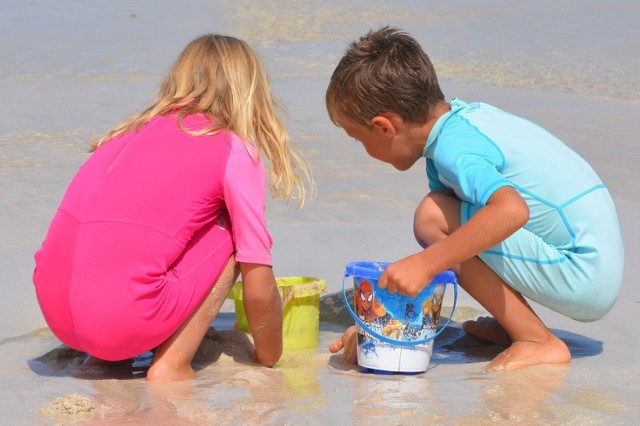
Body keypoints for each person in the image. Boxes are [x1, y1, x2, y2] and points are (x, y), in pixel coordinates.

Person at [326, 27, 623, 372]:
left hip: (584, 273)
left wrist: (425, 264)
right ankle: (513, 322)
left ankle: (536, 339)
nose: (364, 149)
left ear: (384, 127)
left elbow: (512, 211)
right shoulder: (463, 122)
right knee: (452, 216)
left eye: (358, 138)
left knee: (431, 218)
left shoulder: (454, 149)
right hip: (591, 261)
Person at [33, 34, 312, 382]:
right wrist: (269, 355)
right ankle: (172, 363)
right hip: (122, 319)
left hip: (57, 310)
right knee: (233, 231)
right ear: (251, 93)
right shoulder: (231, 147)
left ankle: (106, 360)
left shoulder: (124, 133)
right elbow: (256, 275)